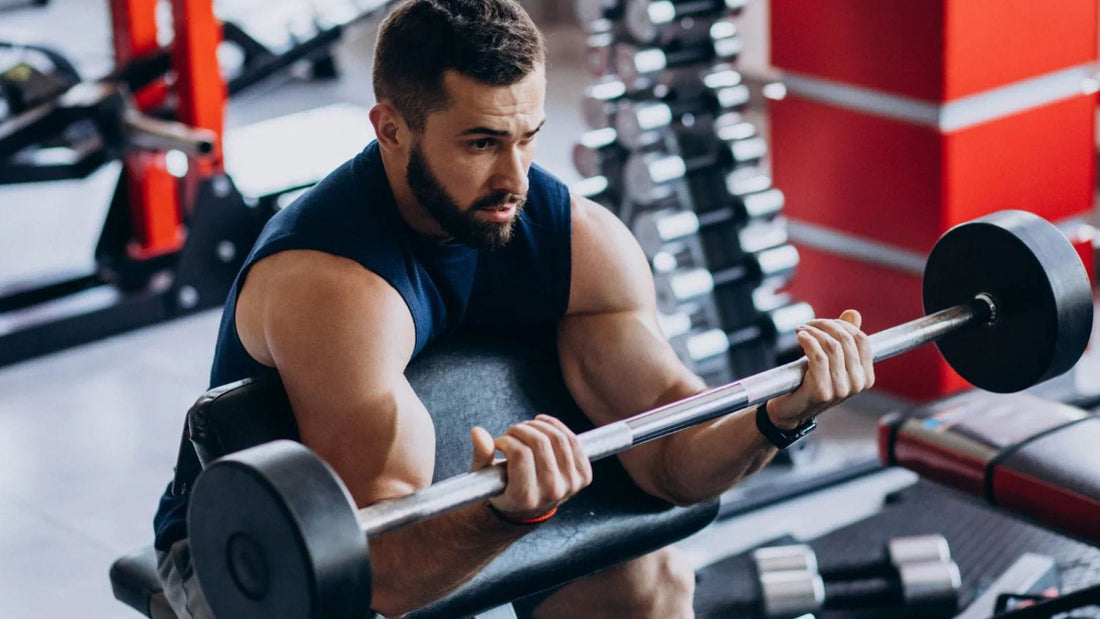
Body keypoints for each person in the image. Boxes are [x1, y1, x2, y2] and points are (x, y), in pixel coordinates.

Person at [152, 1, 874, 617]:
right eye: (481, 143)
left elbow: (670, 457)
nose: (514, 177)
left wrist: (778, 415)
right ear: (391, 127)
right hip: (258, 546)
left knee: (650, 585)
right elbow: (388, 577)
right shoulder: (334, 286)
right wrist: (509, 512)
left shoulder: (576, 241)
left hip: (432, 503)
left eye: (527, 136)